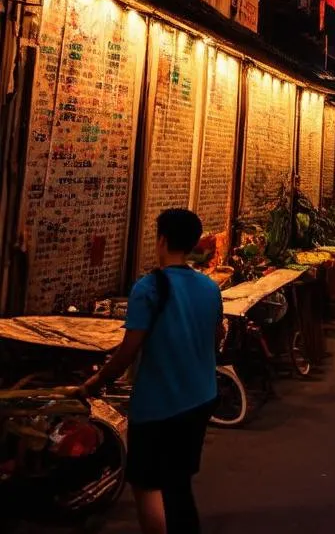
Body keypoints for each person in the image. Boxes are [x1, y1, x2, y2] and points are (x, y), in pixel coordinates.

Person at [80, 209, 222, 534]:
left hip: (160, 405)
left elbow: (128, 350)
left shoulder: (149, 287)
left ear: (161, 240)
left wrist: (97, 380)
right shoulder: (209, 288)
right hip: (201, 398)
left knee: (146, 483)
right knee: (178, 484)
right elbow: (216, 338)